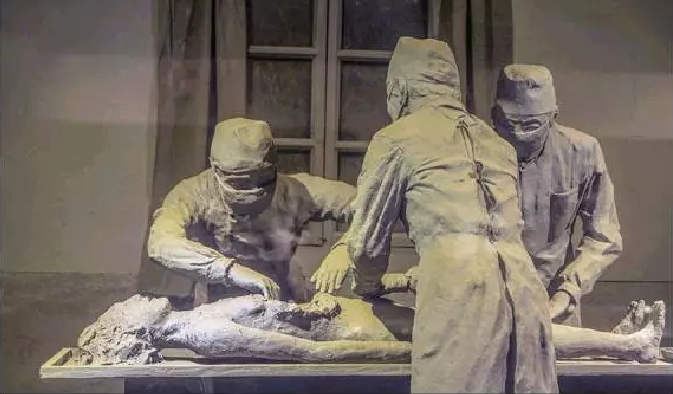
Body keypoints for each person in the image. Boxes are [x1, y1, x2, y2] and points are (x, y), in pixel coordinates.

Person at [313, 37, 558, 393]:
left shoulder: (396, 139)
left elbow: (367, 244)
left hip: (459, 291)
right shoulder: (498, 144)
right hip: (526, 291)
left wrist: (368, 287)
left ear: (399, 90)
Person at [75, 276, 666, 366]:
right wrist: (404, 357)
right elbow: (307, 353)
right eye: (122, 311)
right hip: (362, 332)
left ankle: (616, 343)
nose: (131, 300)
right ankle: (630, 346)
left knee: (502, 330)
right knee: (502, 336)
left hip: (355, 315)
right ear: (132, 330)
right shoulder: (201, 332)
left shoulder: (194, 318)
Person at [145, 117, 355, 303]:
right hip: (218, 305)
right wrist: (231, 271)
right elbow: (161, 243)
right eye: (241, 181)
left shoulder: (296, 191)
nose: (253, 190)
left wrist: (346, 248)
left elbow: (366, 204)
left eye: (263, 178)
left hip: (284, 298)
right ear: (215, 168)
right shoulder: (193, 194)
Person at [491, 64, 623, 326]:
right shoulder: (475, 152)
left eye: (531, 125)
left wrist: (569, 290)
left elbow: (604, 236)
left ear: (553, 117)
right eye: (509, 123)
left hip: (555, 299)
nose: (518, 134)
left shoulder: (581, 152)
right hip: (492, 299)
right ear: (494, 115)